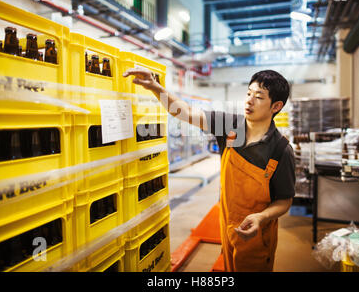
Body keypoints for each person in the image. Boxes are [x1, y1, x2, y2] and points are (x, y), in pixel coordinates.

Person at [122, 68, 295, 272]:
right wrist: (156, 87)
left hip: (257, 233)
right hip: (227, 223)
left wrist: (261, 217)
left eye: (258, 97)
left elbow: (284, 201)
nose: (249, 101)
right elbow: (185, 112)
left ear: (276, 106)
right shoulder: (229, 126)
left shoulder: (281, 150)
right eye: (248, 93)